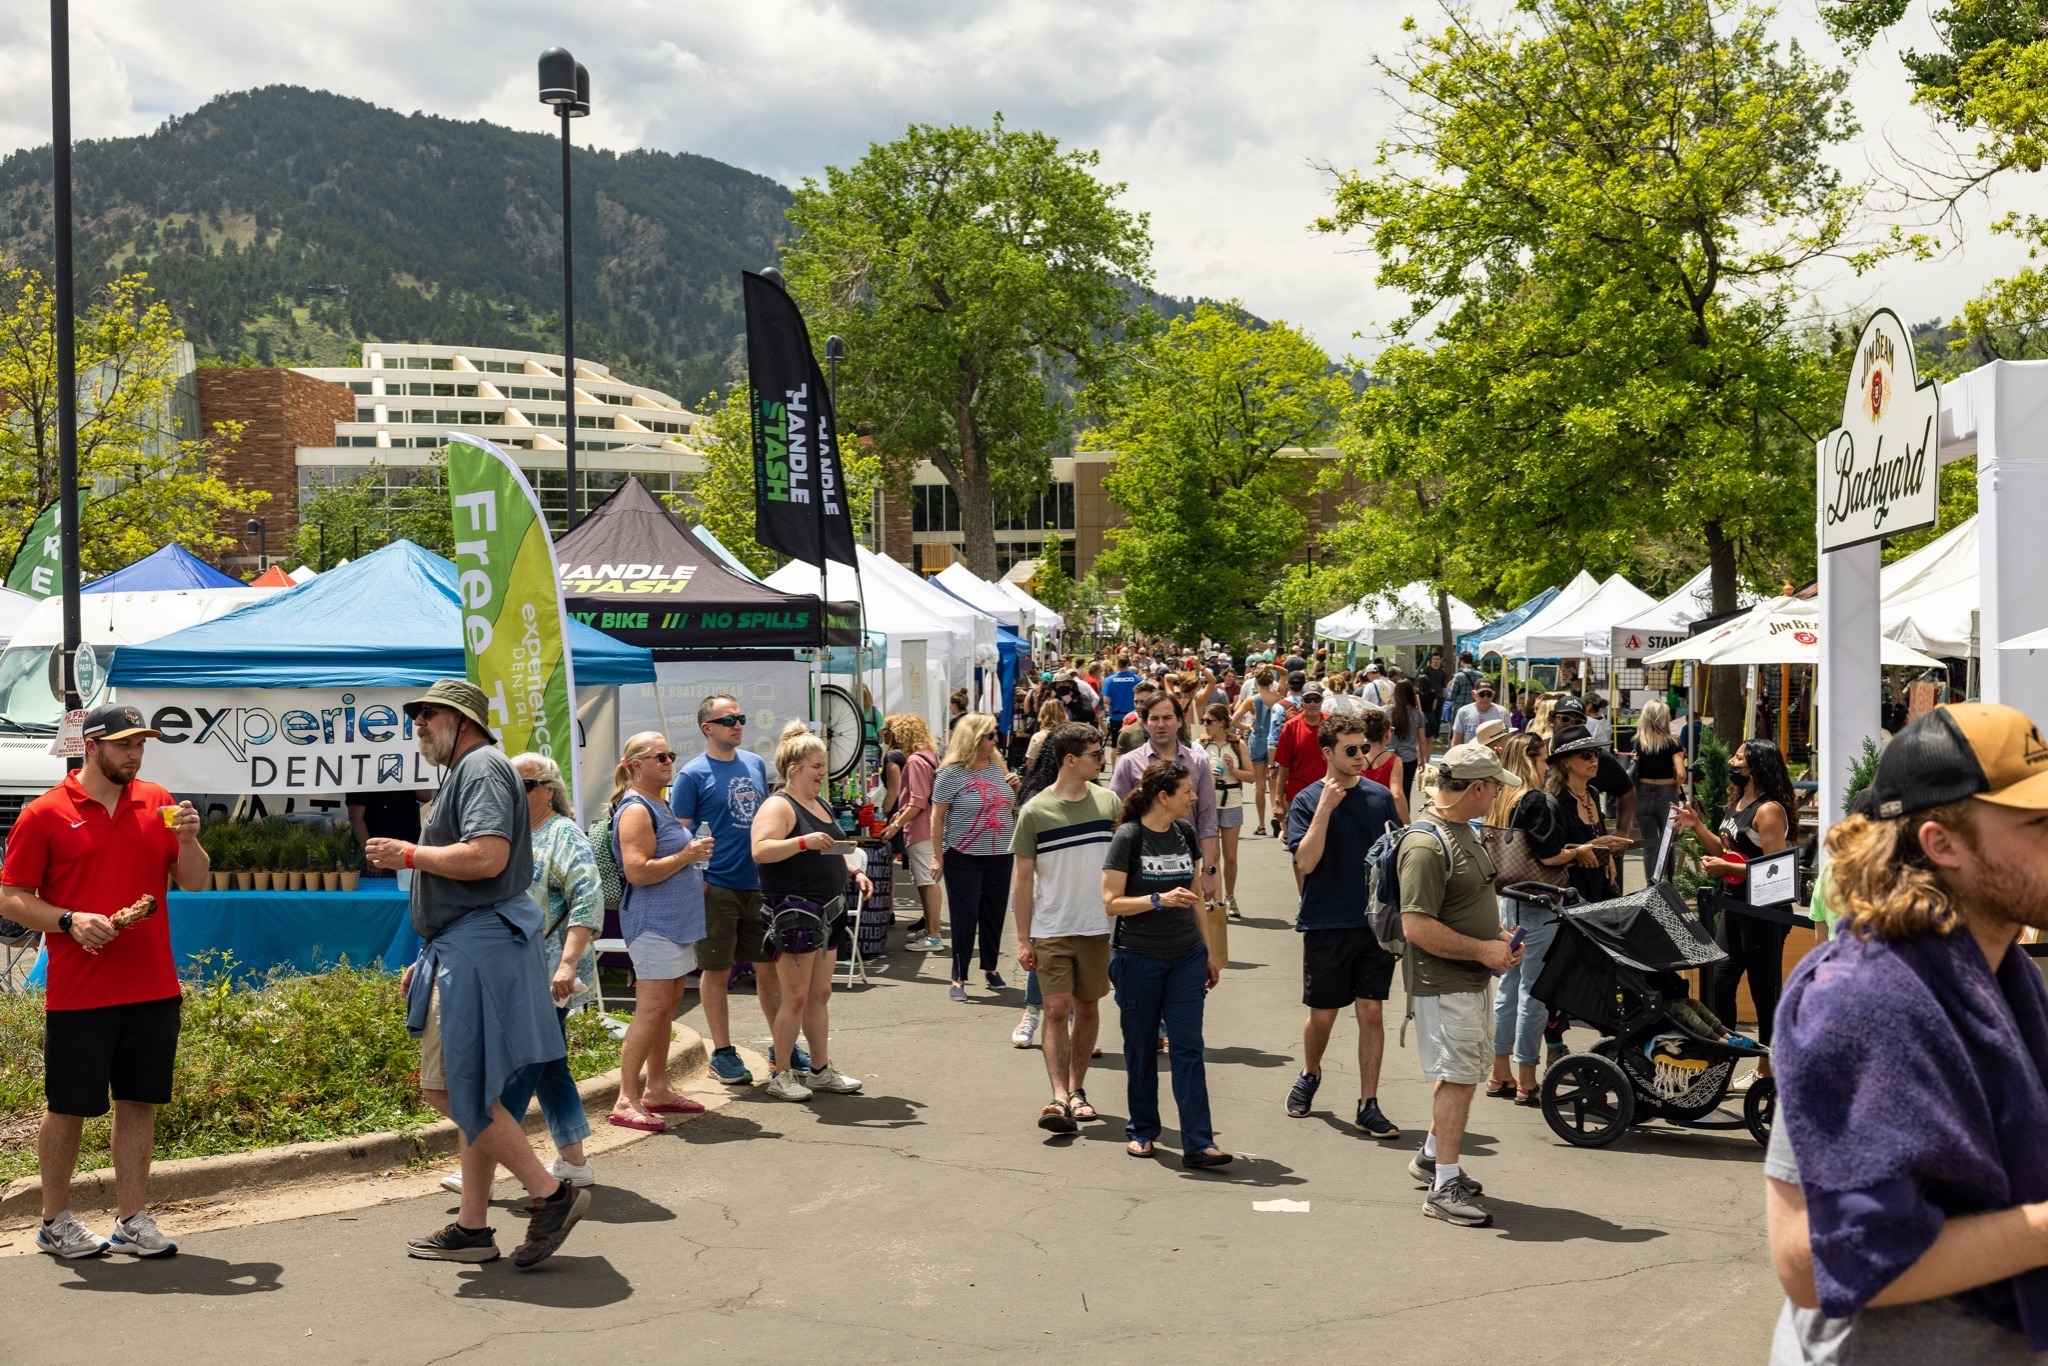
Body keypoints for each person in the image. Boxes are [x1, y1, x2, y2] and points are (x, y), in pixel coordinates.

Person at [1766, 703, 2048, 1362]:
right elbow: (1807, 1261)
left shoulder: (2007, 976)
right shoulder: (1860, 997)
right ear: (1941, 842)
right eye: (2037, 823)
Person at [365, 680, 590, 1268]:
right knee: (478, 1091)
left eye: (426, 714)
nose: (415, 724)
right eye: (414, 715)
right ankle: (472, 1228)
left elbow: (487, 857)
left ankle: (550, 1192)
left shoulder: (483, 766)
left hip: (480, 945)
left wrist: (409, 854)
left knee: (448, 1088)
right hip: (470, 942)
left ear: (460, 719)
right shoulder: (472, 769)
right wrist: (432, 952)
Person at [3, 703, 209, 1259]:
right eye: (124, 745)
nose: (135, 754)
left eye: (140, 745)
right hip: (80, 989)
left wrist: (189, 840)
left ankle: (132, 1218)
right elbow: (11, 897)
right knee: (68, 1106)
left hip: (154, 985)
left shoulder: (159, 801)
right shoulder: (44, 813)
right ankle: (53, 1220)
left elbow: (192, 883)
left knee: (139, 1101)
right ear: (91, 746)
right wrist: (69, 920)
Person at [446, 752, 604, 1194]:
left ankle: (485, 1163)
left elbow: (588, 901)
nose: (515, 793)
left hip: (549, 971)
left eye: (526, 785)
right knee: (549, 1063)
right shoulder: (511, 836)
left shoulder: (564, 834)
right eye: (510, 786)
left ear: (549, 790)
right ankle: (573, 1161)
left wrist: (568, 963)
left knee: (519, 1066)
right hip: (513, 970)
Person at [1400, 743, 1523, 1229]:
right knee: (1455, 1078)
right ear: (1478, 788)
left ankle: (1433, 1158)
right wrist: (1482, 950)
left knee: (1463, 1073)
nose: (1497, 795)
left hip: (1467, 978)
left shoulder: (1459, 831)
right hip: (1444, 981)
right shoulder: (1427, 845)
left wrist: (1497, 938)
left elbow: (1463, 907)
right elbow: (1416, 926)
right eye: (1495, 786)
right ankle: (1442, 1186)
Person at [1102, 760, 1230, 1169]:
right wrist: (1157, 900)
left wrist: (1209, 953)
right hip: (1137, 958)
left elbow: (1195, 893)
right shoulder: (1129, 836)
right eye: (1186, 791)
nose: (1194, 797)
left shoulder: (1184, 833)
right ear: (1163, 796)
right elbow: (1111, 902)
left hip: (1186, 958)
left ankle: (1198, 1141)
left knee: (1188, 1048)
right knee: (1140, 1048)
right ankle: (1142, 1130)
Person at [1285, 712, 1403, 1139]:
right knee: (1323, 1017)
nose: (1360, 756)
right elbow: (1305, 861)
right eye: (1350, 750)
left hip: (1374, 923)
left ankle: (1368, 1103)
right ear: (1328, 753)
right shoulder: (1306, 801)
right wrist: (1325, 809)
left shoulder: (1378, 797)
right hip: (1326, 921)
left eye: (1365, 748)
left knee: (1371, 1012)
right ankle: (1310, 1072)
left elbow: (1395, 857)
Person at [750, 721, 870, 1102]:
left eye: (823, 765)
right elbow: (760, 850)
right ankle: (781, 1073)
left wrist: (855, 870)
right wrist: (802, 841)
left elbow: (832, 847)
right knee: (796, 997)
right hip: (796, 914)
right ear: (794, 769)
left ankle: (819, 1070)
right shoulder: (778, 805)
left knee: (820, 994)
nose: (823, 772)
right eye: (817, 766)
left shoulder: (819, 803)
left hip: (828, 911)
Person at [1010, 724, 1121, 1134]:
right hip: (1051, 926)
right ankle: (1058, 1097)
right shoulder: (1035, 811)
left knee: (1088, 1008)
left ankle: (1077, 1090)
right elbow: (1022, 879)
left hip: (1098, 926)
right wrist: (1023, 937)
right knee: (1056, 1009)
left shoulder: (1109, 803)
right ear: (1071, 760)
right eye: (1095, 754)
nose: (1102, 759)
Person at [1482, 733, 1602, 1102]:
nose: (1547, 765)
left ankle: (1498, 1073)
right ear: (1531, 760)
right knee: (1534, 993)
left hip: (1512, 901)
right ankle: (1526, 1079)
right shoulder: (1533, 799)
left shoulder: (1504, 797)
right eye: (1544, 759)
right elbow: (1549, 855)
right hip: (1537, 902)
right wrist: (1582, 850)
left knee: (1508, 990)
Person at [670, 694, 781, 1086]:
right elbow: (678, 833)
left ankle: (781, 1046)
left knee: (769, 967)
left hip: (758, 883)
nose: (737, 724)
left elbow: (766, 821)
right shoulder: (691, 775)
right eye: (728, 719)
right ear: (707, 728)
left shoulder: (753, 763)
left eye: (740, 717)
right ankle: (722, 1052)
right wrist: (692, 877)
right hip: (715, 884)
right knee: (716, 970)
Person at [1678, 736, 1800, 1088]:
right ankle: (1722, 1062)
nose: (1732, 762)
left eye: (1738, 758)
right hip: (1734, 906)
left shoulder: (1768, 810)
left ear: (1756, 767)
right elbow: (1727, 849)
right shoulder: (1740, 803)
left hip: (1764, 912)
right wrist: (1697, 825)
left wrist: (1728, 869)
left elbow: (1777, 867)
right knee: (1719, 984)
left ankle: (1768, 1071)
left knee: (1765, 992)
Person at [610, 732, 715, 1127]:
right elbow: (636, 871)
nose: (669, 761)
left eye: (670, 754)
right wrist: (687, 856)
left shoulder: (659, 803)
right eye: (660, 756)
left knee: (666, 1006)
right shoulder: (636, 809)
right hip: (653, 923)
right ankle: (625, 1099)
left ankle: (656, 1089)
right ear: (636, 765)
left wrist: (690, 867)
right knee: (651, 1009)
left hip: (675, 923)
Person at [930, 713, 1020, 1001]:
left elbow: (1009, 805)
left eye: (996, 734)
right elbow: (936, 818)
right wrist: (937, 856)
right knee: (965, 916)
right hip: (963, 854)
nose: (996, 739)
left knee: (994, 912)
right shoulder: (951, 773)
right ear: (974, 738)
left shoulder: (997, 763)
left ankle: (991, 968)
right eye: (991, 735)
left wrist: (1016, 790)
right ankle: (958, 976)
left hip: (1000, 852)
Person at [1109, 692, 1221, 912]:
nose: (1161, 724)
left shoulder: (1197, 763)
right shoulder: (1129, 764)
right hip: (1140, 868)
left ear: (1179, 721)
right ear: (1145, 722)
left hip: (1186, 866)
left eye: (1167, 718)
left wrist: (1208, 871)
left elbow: (1207, 822)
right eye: (1154, 718)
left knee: (1187, 931)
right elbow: (1115, 817)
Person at [879, 712, 945, 954]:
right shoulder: (929, 756)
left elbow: (917, 801)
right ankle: (930, 929)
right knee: (925, 880)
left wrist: (896, 823)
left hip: (920, 828)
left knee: (927, 881)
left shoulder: (916, 760)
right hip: (928, 825)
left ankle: (934, 935)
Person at [1551, 694, 1637, 839]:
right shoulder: (1537, 754)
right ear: (1551, 720)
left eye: (1578, 721)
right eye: (1565, 719)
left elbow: (1627, 791)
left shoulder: (1598, 758)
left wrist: (1622, 831)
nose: (1571, 725)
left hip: (1593, 850)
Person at [1199, 703, 1255, 917]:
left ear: (1221, 723)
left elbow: (1251, 777)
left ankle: (1230, 897)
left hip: (1231, 800)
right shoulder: (1201, 743)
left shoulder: (1237, 744)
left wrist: (1233, 770)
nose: (1205, 725)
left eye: (1208, 721)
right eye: (1204, 720)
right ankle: (1214, 899)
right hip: (1209, 803)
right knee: (1212, 856)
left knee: (1230, 856)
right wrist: (1206, 775)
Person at [1630, 700, 1687, 880]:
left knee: (1649, 845)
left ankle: (1650, 887)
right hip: (1666, 793)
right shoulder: (1673, 743)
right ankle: (1667, 886)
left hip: (1642, 794)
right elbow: (1681, 773)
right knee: (1667, 842)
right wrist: (1676, 786)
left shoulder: (1638, 742)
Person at [1234, 666, 1284, 838]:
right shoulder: (1278, 698)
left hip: (1257, 740)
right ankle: (1275, 815)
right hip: (1274, 742)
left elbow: (1233, 720)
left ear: (1256, 682)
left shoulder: (1252, 700)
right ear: (1271, 682)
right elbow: (1285, 673)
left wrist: (1246, 726)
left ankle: (1261, 824)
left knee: (1259, 786)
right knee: (1274, 783)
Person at [1272, 687, 1328, 821]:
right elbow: (1283, 766)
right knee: (1299, 840)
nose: (1312, 703)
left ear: (1322, 701)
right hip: (1298, 795)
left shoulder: (1331, 724)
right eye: (1308, 699)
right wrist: (1278, 799)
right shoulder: (1291, 727)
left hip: (1327, 794)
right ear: (1302, 702)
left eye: (1316, 699)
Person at [347, 788, 426, 875]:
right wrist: (370, 854)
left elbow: (426, 797)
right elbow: (355, 817)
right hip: (377, 848)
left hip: (409, 845)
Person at [1358, 706, 1410, 826]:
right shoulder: (1393, 761)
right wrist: (1407, 824)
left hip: (1359, 815)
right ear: (1387, 733)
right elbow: (1397, 795)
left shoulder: (1356, 757)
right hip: (1383, 819)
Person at [1388, 678, 1432, 811]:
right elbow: (1422, 740)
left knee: (1389, 789)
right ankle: (1404, 822)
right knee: (1405, 791)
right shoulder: (1417, 714)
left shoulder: (1388, 711)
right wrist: (1423, 761)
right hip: (1409, 758)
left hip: (1390, 756)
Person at [1103, 655, 1142, 725]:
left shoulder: (1110, 680)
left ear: (1117, 663)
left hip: (1116, 717)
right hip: (1133, 717)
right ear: (1128, 663)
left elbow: (1106, 700)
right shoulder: (1137, 679)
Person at [1419, 650, 1448, 741]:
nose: (1435, 660)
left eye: (1437, 659)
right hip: (1429, 697)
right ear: (1431, 659)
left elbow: (1443, 685)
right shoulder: (1427, 670)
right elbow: (1422, 683)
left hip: (1439, 697)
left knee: (1438, 717)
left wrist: (1443, 696)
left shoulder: (1442, 671)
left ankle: (1436, 735)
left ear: (1440, 660)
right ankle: (1427, 734)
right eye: (1434, 659)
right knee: (1429, 716)